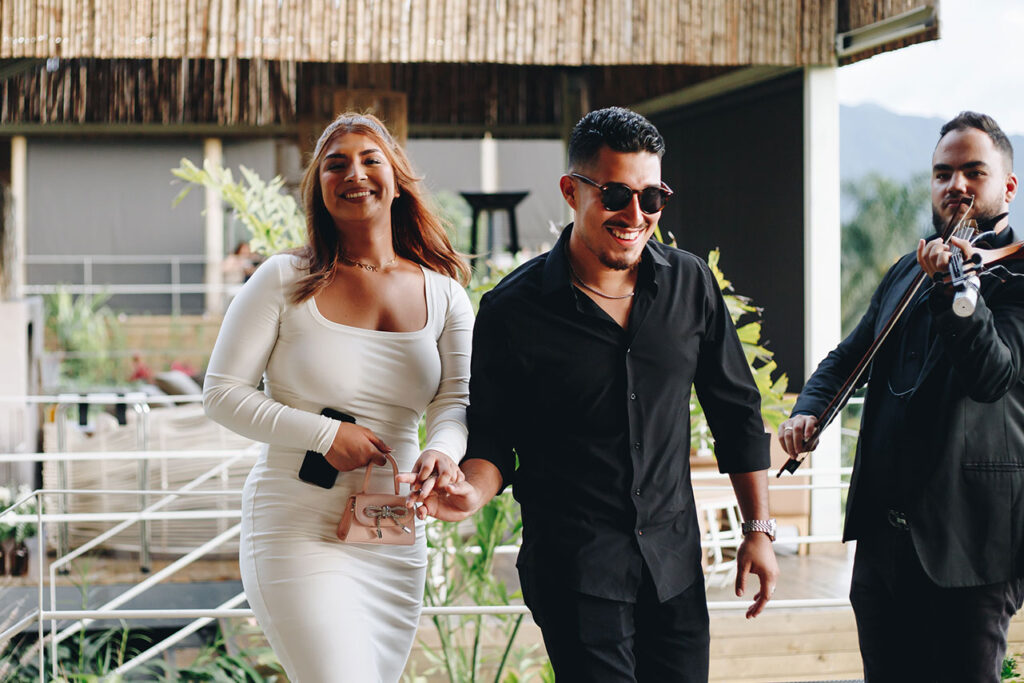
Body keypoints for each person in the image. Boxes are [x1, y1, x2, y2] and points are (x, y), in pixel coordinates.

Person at [404, 107, 779, 682]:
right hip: (574, 574)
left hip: (674, 570)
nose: (635, 215)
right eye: (616, 195)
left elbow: (737, 414)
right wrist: (470, 494)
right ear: (571, 192)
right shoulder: (512, 310)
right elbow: (494, 441)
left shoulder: (692, 285)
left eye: (651, 198)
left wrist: (758, 529)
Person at [203, 112, 474, 682]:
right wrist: (326, 434)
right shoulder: (282, 279)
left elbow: (456, 400)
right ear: (319, 187)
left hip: (392, 531)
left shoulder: (446, 293)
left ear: (397, 182)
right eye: (336, 164)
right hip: (296, 523)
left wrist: (443, 451)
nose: (355, 173)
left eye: (371, 160)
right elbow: (222, 394)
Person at [778, 111, 1023, 682]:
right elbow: (848, 357)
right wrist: (809, 410)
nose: (956, 185)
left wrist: (956, 288)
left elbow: (991, 375)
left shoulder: (1014, 278)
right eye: (943, 174)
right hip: (884, 548)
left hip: (971, 548)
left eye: (974, 172)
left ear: (1007, 187)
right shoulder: (905, 272)